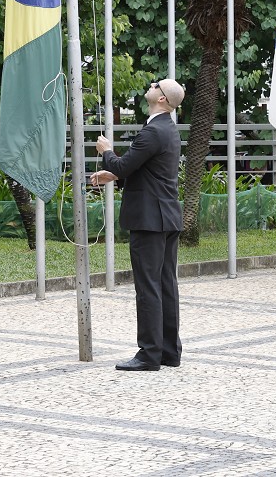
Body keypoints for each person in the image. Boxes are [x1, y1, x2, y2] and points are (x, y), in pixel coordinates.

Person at [90, 77, 185, 371]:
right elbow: (144, 170)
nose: (152, 84)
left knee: (148, 288)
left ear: (162, 99)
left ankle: (149, 354)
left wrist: (106, 151)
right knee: (166, 285)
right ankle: (169, 351)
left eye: (157, 85)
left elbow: (122, 164)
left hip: (149, 220)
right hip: (166, 216)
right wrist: (115, 175)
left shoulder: (153, 131)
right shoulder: (167, 129)